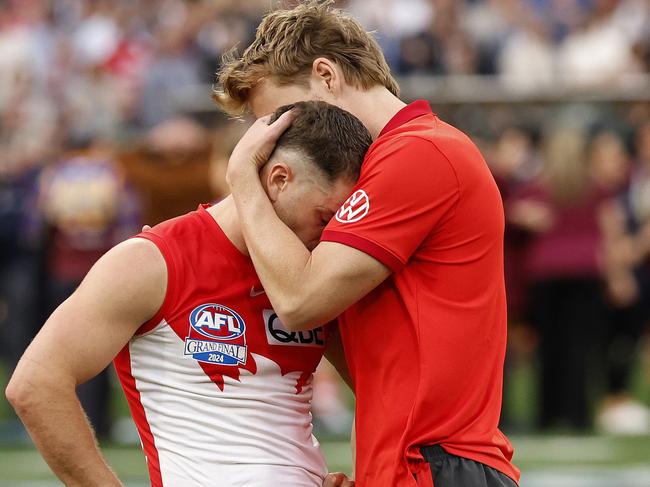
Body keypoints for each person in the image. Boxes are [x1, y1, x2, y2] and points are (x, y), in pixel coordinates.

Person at [215, 2, 519, 486]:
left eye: (280, 117)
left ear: (326, 74)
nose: (272, 142)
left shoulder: (419, 151)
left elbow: (300, 301)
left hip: (437, 465)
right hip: (414, 463)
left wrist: (243, 180)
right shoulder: (388, 163)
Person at [5, 101, 370, 487]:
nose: (331, 234)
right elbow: (36, 384)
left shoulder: (314, 274)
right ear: (278, 180)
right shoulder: (154, 260)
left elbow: (379, 390)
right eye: (325, 217)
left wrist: (365, 476)